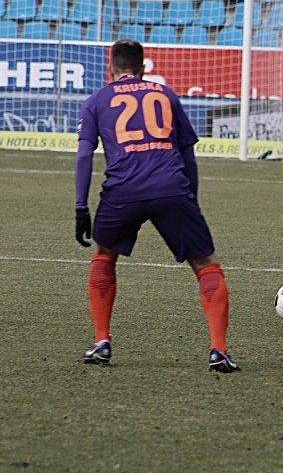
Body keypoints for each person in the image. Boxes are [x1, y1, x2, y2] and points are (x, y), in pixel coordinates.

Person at [74, 39, 240, 372]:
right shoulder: (165, 94)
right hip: (171, 187)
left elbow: (84, 155)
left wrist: (81, 206)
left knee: (104, 255)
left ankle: (101, 341)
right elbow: (187, 154)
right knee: (206, 264)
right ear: (143, 65)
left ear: (111, 68)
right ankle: (218, 350)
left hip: (122, 191)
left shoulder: (96, 100)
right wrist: (189, 197)